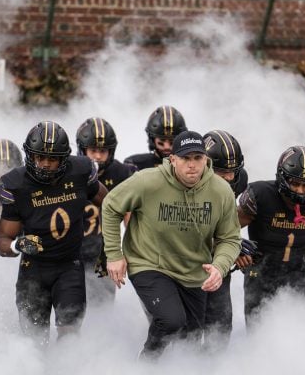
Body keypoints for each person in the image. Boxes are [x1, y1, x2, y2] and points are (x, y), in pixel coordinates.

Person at [102, 130, 241, 360]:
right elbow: (110, 206)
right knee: (171, 319)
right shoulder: (148, 181)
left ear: (206, 160)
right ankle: (147, 361)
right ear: (173, 159)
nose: (192, 165)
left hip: (193, 271)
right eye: (186, 158)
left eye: (198, 158)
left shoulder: (221, 191)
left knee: (191, 343)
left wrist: (220, 266)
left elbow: (229, 238)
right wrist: (114, 254)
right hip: (149, 263)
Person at [0, 121, 108, 345]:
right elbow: (2, 244)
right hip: (33, 269)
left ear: (64, 158)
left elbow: (112, 205)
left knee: (70, 335)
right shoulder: (15, 184)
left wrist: (113, 246)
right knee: (35, 342)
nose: (46, 164)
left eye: (53, 158)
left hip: (69, 266)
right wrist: (18, 245)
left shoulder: (80, 171)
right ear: (30, 155)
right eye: (40, 157)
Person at [236, 146, 305, 328]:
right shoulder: (260, 194)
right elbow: (227, 228)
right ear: (282, 178)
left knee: (297, 334)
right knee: (259, 336)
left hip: (296, 273)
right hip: (259, 273)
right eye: (295, 183)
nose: (300, 190)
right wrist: (237, 249)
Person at [75, 117, 135, 304]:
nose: (98, 156)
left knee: (101, 309)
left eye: (103, 151)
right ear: (82, 149)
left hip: (103, 252)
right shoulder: (71, 169)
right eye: (93, 150)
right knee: (70, 309)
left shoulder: (122, 173)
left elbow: (130, 215)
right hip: (72, 251)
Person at [202, 130, 247, 349]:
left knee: (219, 328)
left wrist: (235, 244)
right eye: (222, 172)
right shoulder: (185, 181)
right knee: (182, 330)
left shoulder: (240, 180)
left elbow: (229, 221)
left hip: (217, 264)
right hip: (181, 263)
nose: (229, 178)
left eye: (232, 171)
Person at [124, 105, 187, 170]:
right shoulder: (135, 164)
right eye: (161, 143)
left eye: (172, 143)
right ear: (152, 140)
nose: (167, 147)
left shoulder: (191, 164)